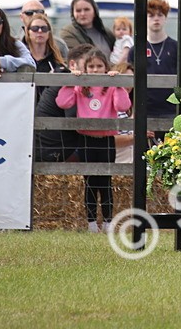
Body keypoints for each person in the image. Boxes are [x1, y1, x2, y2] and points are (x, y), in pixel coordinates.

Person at [56, 47, 131, 232]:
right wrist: (70, 82)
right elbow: (63, 102)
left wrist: (118, 84)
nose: (95, 70)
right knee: (89, 182)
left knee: (106, 182)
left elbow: (122, 105)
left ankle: (107, 222)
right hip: (86, 139)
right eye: (91, 66)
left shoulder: (110, 86)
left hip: (106, 140)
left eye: (99, 66)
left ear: (106, 67)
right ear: (85, 68)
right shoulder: (81, 86)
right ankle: (91, 223)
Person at [36, 44, 91, 164]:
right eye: (87, 65)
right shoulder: (67, 84)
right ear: (72, 65)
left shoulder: (65, 79)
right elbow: (75, 122)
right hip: (51, 153)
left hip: (56, 149)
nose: (91, 70)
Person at [144, 0, 180, 122]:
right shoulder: (136, 50)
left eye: (160, 15)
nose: (156, 19)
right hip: (145, 110)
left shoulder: (177, 47)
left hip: (172, 109)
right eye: (151, 15)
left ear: (165, 18)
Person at [24, 13, 66, 101]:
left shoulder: (56, 60)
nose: (40, 31)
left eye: (44, 28)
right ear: (28, 31)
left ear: (49, 33)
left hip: (49, 105)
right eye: (35, 28)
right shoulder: (20, 58)